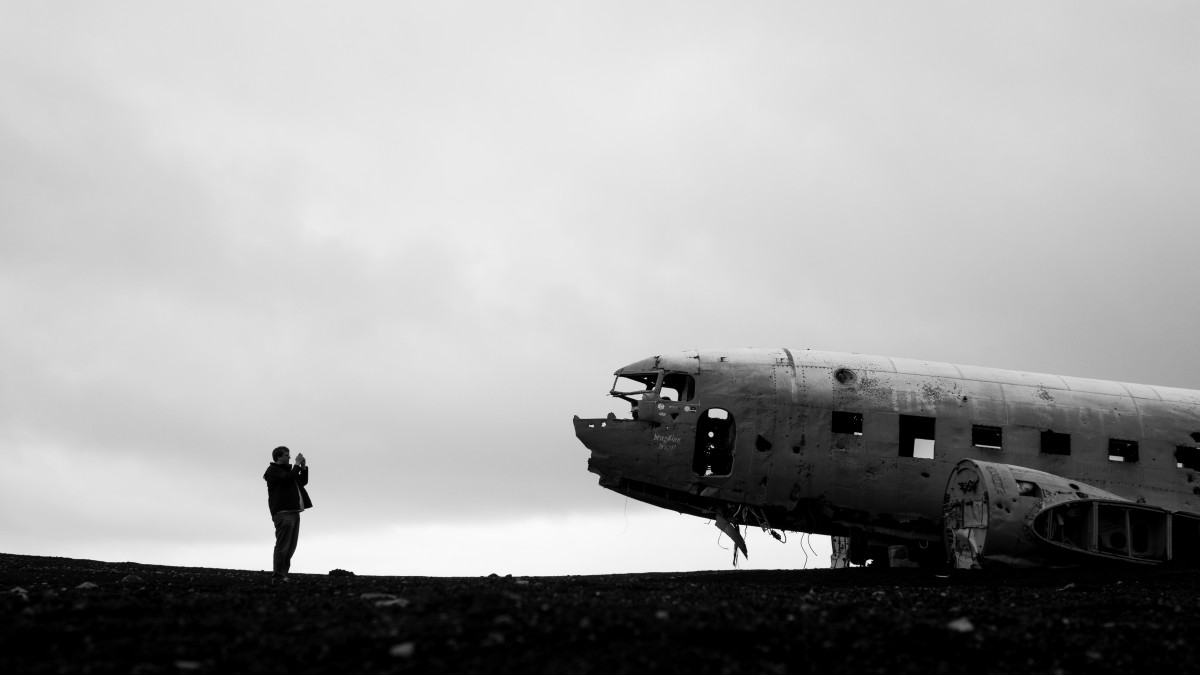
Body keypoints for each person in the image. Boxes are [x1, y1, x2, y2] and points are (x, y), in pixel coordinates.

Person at [263, 445, 313, 582]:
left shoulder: (287, 471)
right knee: (283, 545)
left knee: (290, 546)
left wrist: (302, 467)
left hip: (294, 511)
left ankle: (283, 574)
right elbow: (288, 479)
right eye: (286, 455)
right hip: (283, 512)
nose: (289, 457)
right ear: (278, 457)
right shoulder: (273, 471)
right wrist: (296, 464)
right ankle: (278, 575)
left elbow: (302, 482)